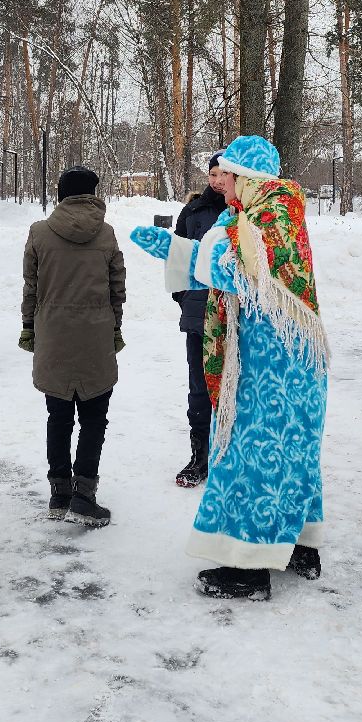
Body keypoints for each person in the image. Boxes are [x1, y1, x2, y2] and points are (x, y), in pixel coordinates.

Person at [131, 135, 328, 602]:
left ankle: (249, 567)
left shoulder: (271, 216)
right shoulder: (265, 211)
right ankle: (298, 545)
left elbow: (242, 272)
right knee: (293, 454)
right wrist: (184, 251)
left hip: (276, 367)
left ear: (247, 177)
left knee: (256, 454)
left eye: (230, 176)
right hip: (282, 360)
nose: (223, 185)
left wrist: (176, 252)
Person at [20, 166, 127, 528]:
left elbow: (30, 288)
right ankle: (84, 496)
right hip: (96, 336)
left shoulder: (39, 232)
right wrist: (116, 329)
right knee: (95, 419)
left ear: (61, 194)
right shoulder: (107, 234)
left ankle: (59, 492)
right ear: (93, 193)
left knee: (59, 417)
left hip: (54, 336)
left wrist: (28, 328)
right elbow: (117, 289)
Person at [170, 152, 228, 488]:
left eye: (223, 174)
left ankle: (229, 455)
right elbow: (177, 263)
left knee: (234, 384)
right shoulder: (192, 212)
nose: (218, 181)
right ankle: (199, 457)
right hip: (198, 313)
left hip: (235, 314)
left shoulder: (242, 212)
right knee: (200, 385)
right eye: (212, 174)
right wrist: (186, 299)